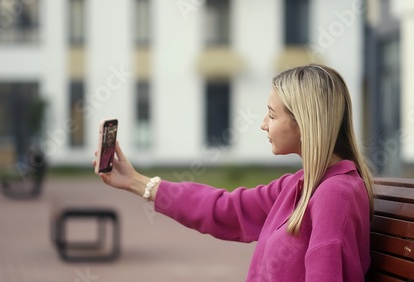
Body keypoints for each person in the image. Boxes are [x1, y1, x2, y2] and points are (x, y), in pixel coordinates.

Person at [92, 64, 374, 281]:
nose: (264, 124)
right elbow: (225, 209)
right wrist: (135, 181)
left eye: (272, 116)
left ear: (304, 122)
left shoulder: (334, 195)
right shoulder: (300, 186)